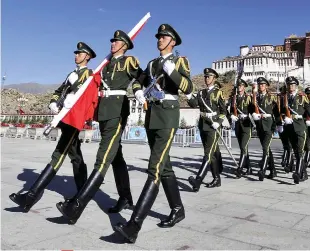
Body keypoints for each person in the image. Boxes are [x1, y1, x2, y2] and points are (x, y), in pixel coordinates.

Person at [113, 24, 193, 244]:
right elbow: (141, 80)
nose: (159, 39)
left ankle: (134, 225)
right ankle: (177, 209)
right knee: (164, 166)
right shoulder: (151, 63)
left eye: (164, 37)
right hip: (152, 115)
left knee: (154, 168)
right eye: (158, 37)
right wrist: (138, 90)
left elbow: (187, 88)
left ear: (172, 42)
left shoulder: (179, 61)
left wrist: (172, 72)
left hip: (167, 115)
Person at [56, 30, 140, 223]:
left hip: (117, 111)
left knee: (102, 158)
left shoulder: (129, 61)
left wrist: (138, 91)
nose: (112, 43)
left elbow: (140, 78)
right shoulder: (105, 64)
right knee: (116, 157)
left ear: (125, 45)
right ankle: (125, 198)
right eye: (112, 40)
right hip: (104, 113)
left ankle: (76, 206)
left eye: (116, 41)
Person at [9, 42, 96, 212]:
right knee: (75, 155)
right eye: (76, 53)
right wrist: (53, 103)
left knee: (58, 154)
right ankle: (83, 193)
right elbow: (59, 91)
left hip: (74, 119)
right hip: (64, 117)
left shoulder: (89, 74)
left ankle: (31, 196)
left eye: (79, 53)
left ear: (87, 56)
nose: (75, 56)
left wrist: (76, 84)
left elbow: (86, 94)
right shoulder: (71, 73)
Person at [187, 68, 226, 191]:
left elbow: (224, 111)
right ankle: (217, 179)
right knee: (212, 155)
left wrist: (218, 122)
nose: (206, 78)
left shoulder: (218, 93)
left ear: (214, 79)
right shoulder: (201, 93)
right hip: (203, 124)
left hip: (213, 126)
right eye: (205, 76)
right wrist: (188, 95)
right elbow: (194, 104)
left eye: (209, 77)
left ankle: (197, 181)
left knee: (208, 154)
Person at [280, 76, 310, 184]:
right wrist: (281, 121)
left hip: (300, 127)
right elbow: (280, 111)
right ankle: (305, 174)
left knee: (299, 151)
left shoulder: (302, 97)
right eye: (289, 85)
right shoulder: (284, 97)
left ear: (296, 86)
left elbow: (308, 110)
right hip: (289, 127)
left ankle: (297, 173)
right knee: (296, 152)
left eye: (293, 85)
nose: (291, 86)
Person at [251, 77, 280, 181]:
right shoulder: (255, 97)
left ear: (266, 86)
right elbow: (251, 108)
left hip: (269, 126)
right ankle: (273, 170)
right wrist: (253, 114)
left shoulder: (271, 97)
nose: (261, 86)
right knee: (267, 148)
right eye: (260, 84)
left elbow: (276, 112)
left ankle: (262, 170)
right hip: (259, 126)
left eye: (263, 84)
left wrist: (279, 125)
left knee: (265, 148)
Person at [228, 78, 254, 178]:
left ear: (244, 87)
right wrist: (231, 116)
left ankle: (240, 168)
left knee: (243, 147)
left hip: (247, 125)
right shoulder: (233, 98)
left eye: (241, 86)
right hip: (238, 124)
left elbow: (253, 110)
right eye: (238, 86)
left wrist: (248, 115)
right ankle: (249, 168)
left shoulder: (249, 98)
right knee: (243, 148)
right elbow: (230, 110)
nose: (239, 87)